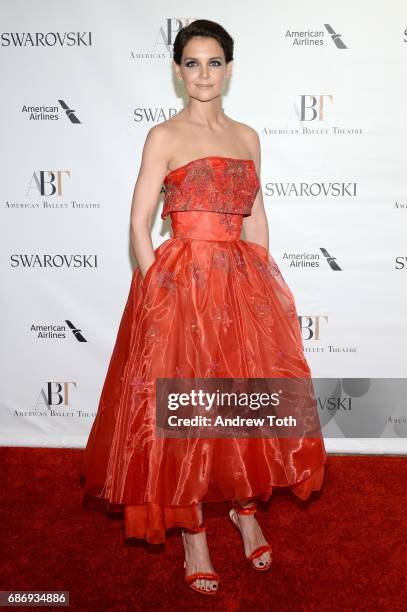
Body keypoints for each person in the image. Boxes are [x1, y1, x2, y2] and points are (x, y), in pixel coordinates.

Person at [80, 19, 327, 596]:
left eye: (214, 62)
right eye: (192, 63)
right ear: (177, 70)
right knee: (186, 408)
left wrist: (262, 290)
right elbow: (140, 224)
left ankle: (244, 508)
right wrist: (155, 293)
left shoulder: (248, 136)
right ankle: (192, 528)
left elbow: (257, 217)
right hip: (180, 286)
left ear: (230, 68)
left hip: (241, 285)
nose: (204, 74)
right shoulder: (163, 136)